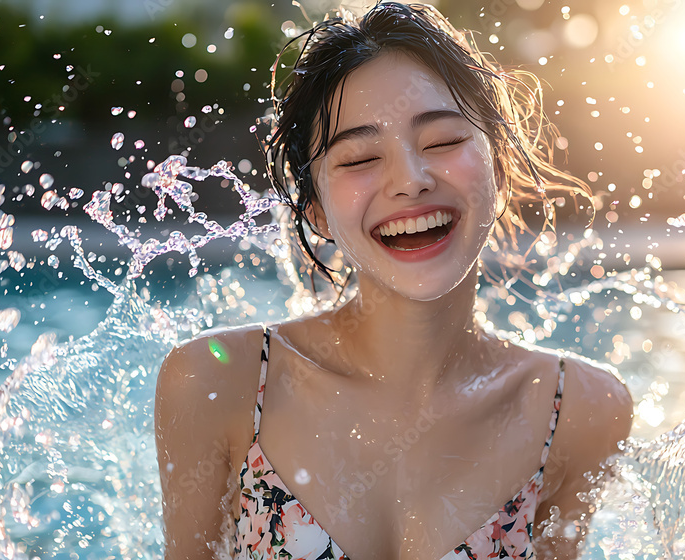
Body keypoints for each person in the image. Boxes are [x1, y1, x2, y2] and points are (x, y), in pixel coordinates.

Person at [155, 3, 632, 559]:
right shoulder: (222, 386)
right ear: (316, 210)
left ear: (499, 168)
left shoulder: (580, 409)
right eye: (359, 158)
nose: (410, 180)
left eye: (442, 142)